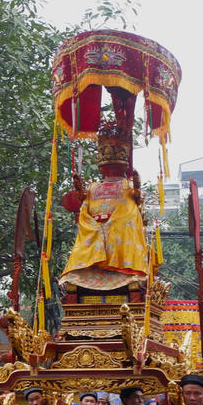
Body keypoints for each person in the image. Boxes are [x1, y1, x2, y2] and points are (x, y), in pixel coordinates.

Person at [58, 118, 153, 297]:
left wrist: (137, 189)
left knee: (125, 220)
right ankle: (88, 267)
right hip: (94, 230)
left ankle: (125, 266)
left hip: (120, 233)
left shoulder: (128, 186)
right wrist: (80, 193)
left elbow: (137, 202)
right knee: (90, 232)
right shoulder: (93, 187)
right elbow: (85, 206)